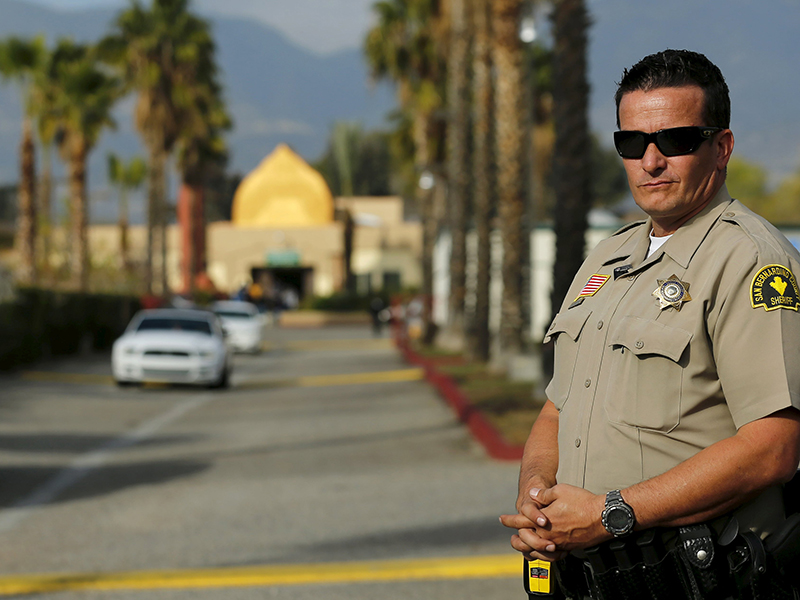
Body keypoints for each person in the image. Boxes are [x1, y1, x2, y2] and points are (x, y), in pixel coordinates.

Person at [500, 49, 800, 599]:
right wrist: (537, 494)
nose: (651, 161)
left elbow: (773, 446)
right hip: (591, 581)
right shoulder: (606, 258)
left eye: (677, 140)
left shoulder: (751, 261)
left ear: (722, 147)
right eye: (632, 143)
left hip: (702, 581)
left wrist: (611, 514)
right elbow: (557, 407)